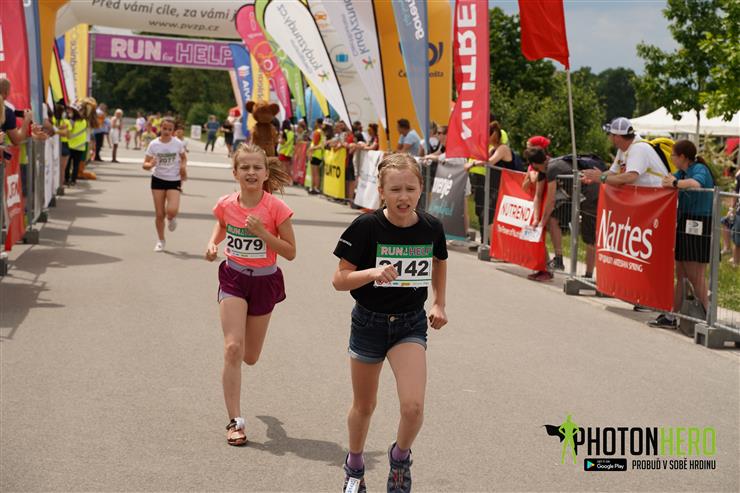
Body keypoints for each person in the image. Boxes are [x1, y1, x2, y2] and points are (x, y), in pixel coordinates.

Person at [332, 153, 448, 493]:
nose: (403, 197)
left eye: (410, 189)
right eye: (395, 190)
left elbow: (439, 259)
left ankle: (400, 458)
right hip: (369, 323)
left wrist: (439, 302)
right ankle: (355, 465)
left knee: (413, 407)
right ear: (381, 191)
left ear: (421, 188)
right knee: (364, 405)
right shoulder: (366, 227)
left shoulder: (431, 227)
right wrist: (372, 273)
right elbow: (339, 279)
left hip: (409, 324)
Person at [205, 143, 295, 446]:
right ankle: (235, 421)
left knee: (250, 357)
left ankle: (268, 423)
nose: (251, 172)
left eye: (257, 167)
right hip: (233, 277)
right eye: (244, 167)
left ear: (266, 173)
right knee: (233, 348)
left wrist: (264, 234)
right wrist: (213, 243)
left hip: (265, 281)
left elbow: (291, 252)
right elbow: (222, 225)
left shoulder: (276, 208)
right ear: (235, 173)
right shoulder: (225, 204)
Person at [581, 117, 670, 312]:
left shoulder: (638, 149)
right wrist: (594, 177)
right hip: (645, 207)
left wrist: (601, 177)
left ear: (618, 136)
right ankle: (639, 294)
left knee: (647, 254)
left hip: (657, 207)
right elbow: (613, 173)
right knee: (637, 252)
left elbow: (631, 176)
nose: (609, 138)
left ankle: (650, 299)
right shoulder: (624, 149)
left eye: (611, 135)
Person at [649, 140, 715, 328]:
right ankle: (671, 316)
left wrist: (676, 183)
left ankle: (710, 316)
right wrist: (672, 181)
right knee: (682, 273)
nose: (671, 158)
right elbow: (666, 182)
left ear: (683, 157)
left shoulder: (699, 169)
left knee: (695, 274)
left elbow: (696, 184)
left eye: (673, 155)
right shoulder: (683, 172)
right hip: (686, 221)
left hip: (699, 222)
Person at [465, 121, 516, 243]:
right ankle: (487, 243)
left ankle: (494, 244)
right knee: (484, 214)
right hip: (493, 186)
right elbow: (482, 158)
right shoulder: (493, 149)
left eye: (486, 136)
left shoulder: (503, 148)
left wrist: (472, 164)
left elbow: (490, 162)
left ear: (493, 135)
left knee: (491, 216)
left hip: (503, 187)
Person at [142, 117, 187, 252]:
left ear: (173, 130)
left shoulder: (177, 143)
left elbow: (184, 158)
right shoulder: (153, 144)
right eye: (164, 128)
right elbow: (144, 164)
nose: (167, 131)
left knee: (172, 210)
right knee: (159, 214)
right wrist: (150, 164)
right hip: (158, 179)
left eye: (170, 129)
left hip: (174, 179)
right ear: (160, 128)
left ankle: (171, 218)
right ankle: (161, 240)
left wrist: (183, 167)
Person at [307, 118, 325, 194]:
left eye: (316, 122)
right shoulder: (322, 132)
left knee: (314, 172)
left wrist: (310, 152)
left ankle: (314, 188)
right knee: (316, 172)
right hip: (319, 154)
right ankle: (315, 187)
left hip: (315, 154)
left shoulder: (317, 132)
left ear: (318, 123)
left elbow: (315, 143)